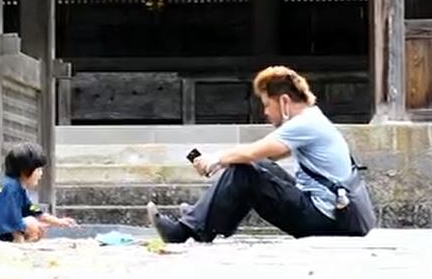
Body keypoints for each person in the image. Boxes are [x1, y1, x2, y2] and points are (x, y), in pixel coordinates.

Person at [147, 65, 368, 243]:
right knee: (256, 166)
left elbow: (253, 152)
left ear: (284, 101)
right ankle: (202, 216)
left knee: (246, 171)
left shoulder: (305, 123)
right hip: (329, 214)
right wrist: (223, 161)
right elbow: (267, 156)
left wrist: (216, 159)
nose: (265, 112)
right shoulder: (313, 118)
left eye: (267, 104)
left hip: (324, 219)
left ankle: (186, 231)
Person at [0, 142, 78, 244]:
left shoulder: (16, 187)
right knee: (31, 223)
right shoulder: (9, 188)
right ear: (25, 170)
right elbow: (11, 222)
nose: (41, 174)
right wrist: (20, 240)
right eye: (38, 170)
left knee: (35, 225)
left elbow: (34, 211)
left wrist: (59, 222)